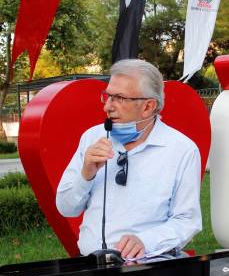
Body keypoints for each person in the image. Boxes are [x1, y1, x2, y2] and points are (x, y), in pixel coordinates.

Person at [56, 59, 202, 259]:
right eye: (107, 97)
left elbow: (187, 220)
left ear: (148, 106)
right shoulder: (92, 137)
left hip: (150, 264)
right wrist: (86, 174)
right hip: (90, 266)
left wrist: (146, 241)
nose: (108, 106)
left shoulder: (181, 150)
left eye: (119, 98)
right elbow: (66, 208)